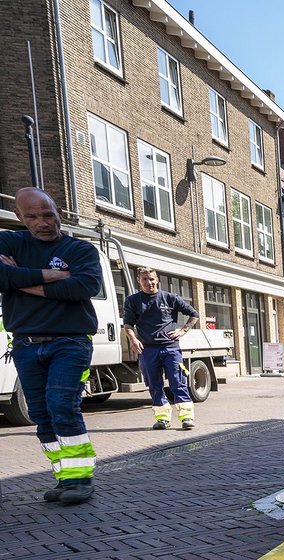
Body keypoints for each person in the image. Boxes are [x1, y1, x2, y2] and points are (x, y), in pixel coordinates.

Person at [0, 187, 102, 504]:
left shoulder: (80, 249)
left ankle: (80, 480)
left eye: (47, 214)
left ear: (57, 211)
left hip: (70, 341)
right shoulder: (9, 241)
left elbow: (85, 285)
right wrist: (53, 276)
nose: (42, 222)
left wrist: (18, 278)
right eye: (32, 216)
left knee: (62, 406)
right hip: (26, 345)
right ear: (20, 217)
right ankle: (64, 477)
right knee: (42, 416)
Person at [122, 268, 201, 430]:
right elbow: (128, 324)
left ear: (156, 279)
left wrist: (183, 330)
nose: (148, 282)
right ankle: (162, 418)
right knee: (154, 385)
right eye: (145, 279)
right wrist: (133, 339)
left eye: (151, 279)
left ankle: (187, 417)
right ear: (139, 280)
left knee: (177, 382)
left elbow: (194, 314)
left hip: (171, 348)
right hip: (147, 350)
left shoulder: (171, 298)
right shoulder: (133, 301)